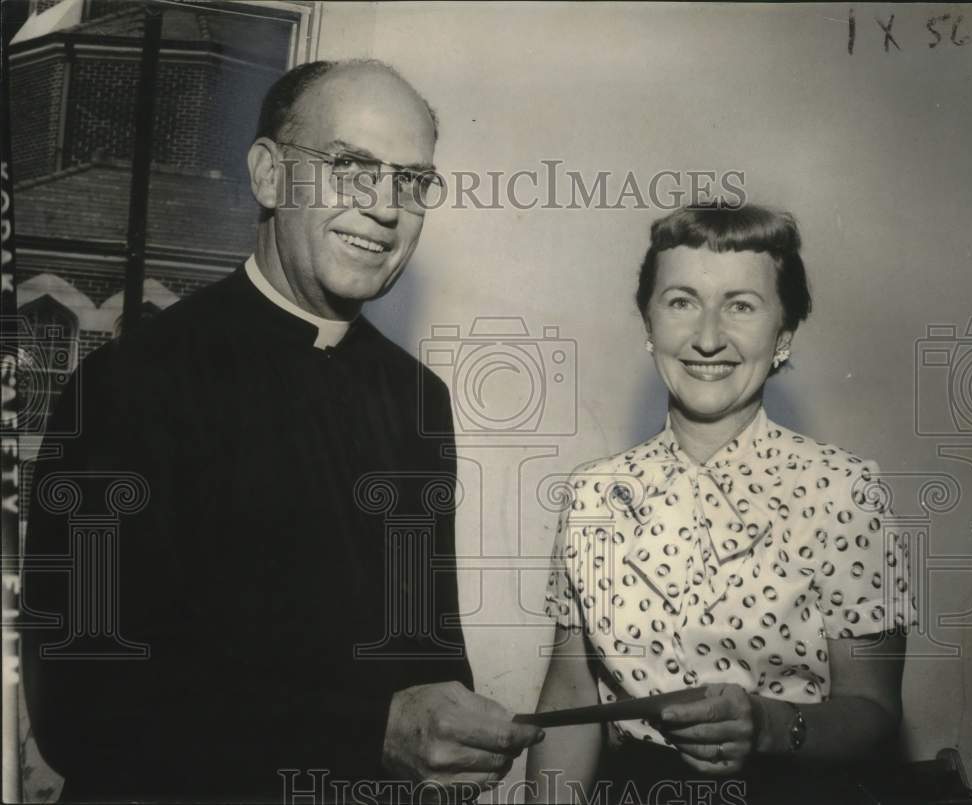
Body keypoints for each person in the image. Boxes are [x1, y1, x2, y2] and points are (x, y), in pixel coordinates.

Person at [22, 59, 542, 803]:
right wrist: (371, 728)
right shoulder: (130, 386)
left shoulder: (417, 398)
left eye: (412, 181)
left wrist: (451, 742)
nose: (385, 208)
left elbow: (427, 654)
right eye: (352, 167)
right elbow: (78, 707)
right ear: (268, 176)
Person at [525, 205, 916, 804]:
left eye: (741, 305)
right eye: (681, 301)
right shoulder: (591, 496)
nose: (708, 338)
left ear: (783, 334)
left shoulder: (845, 490)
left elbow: (875, 709)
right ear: (648, 325)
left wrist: (766, 723)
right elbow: (569, 699)